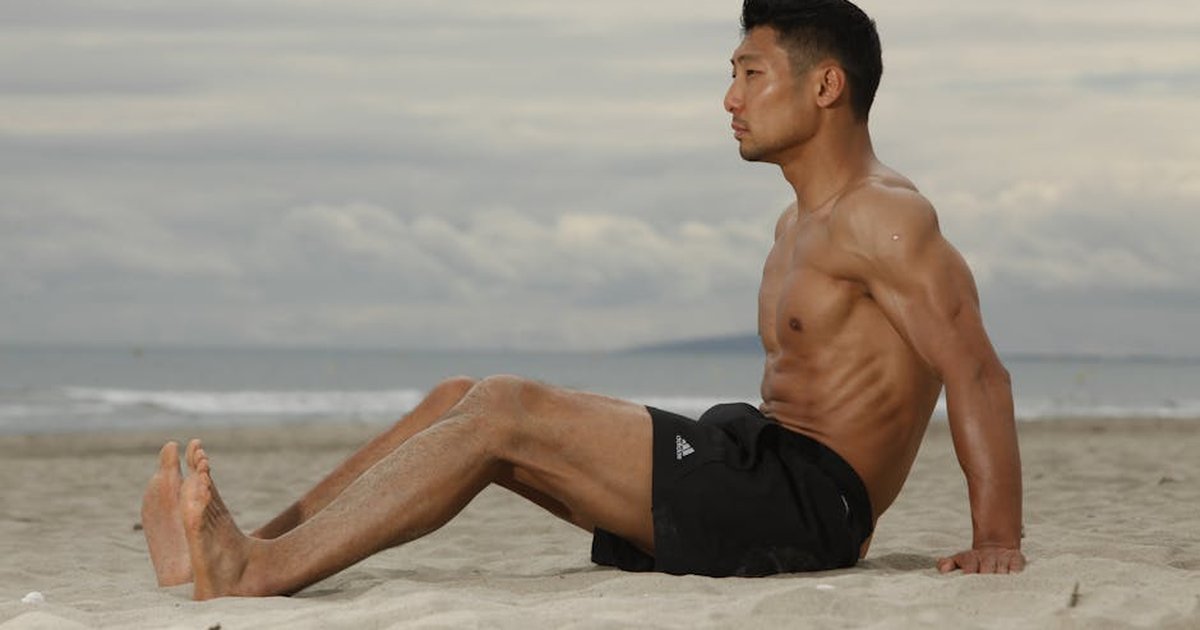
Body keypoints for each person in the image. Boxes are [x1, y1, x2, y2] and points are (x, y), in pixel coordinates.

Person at [141, 0, 1024, 600]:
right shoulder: (800, 224)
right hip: (756, 464)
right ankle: (244, 544)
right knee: (465, 397)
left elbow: (976, 373)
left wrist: (997, 539)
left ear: (825, 85)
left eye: (752, 73)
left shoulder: (886, 217)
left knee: (505, 410)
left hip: (806, 505)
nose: (730, 98)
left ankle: (257, 572)